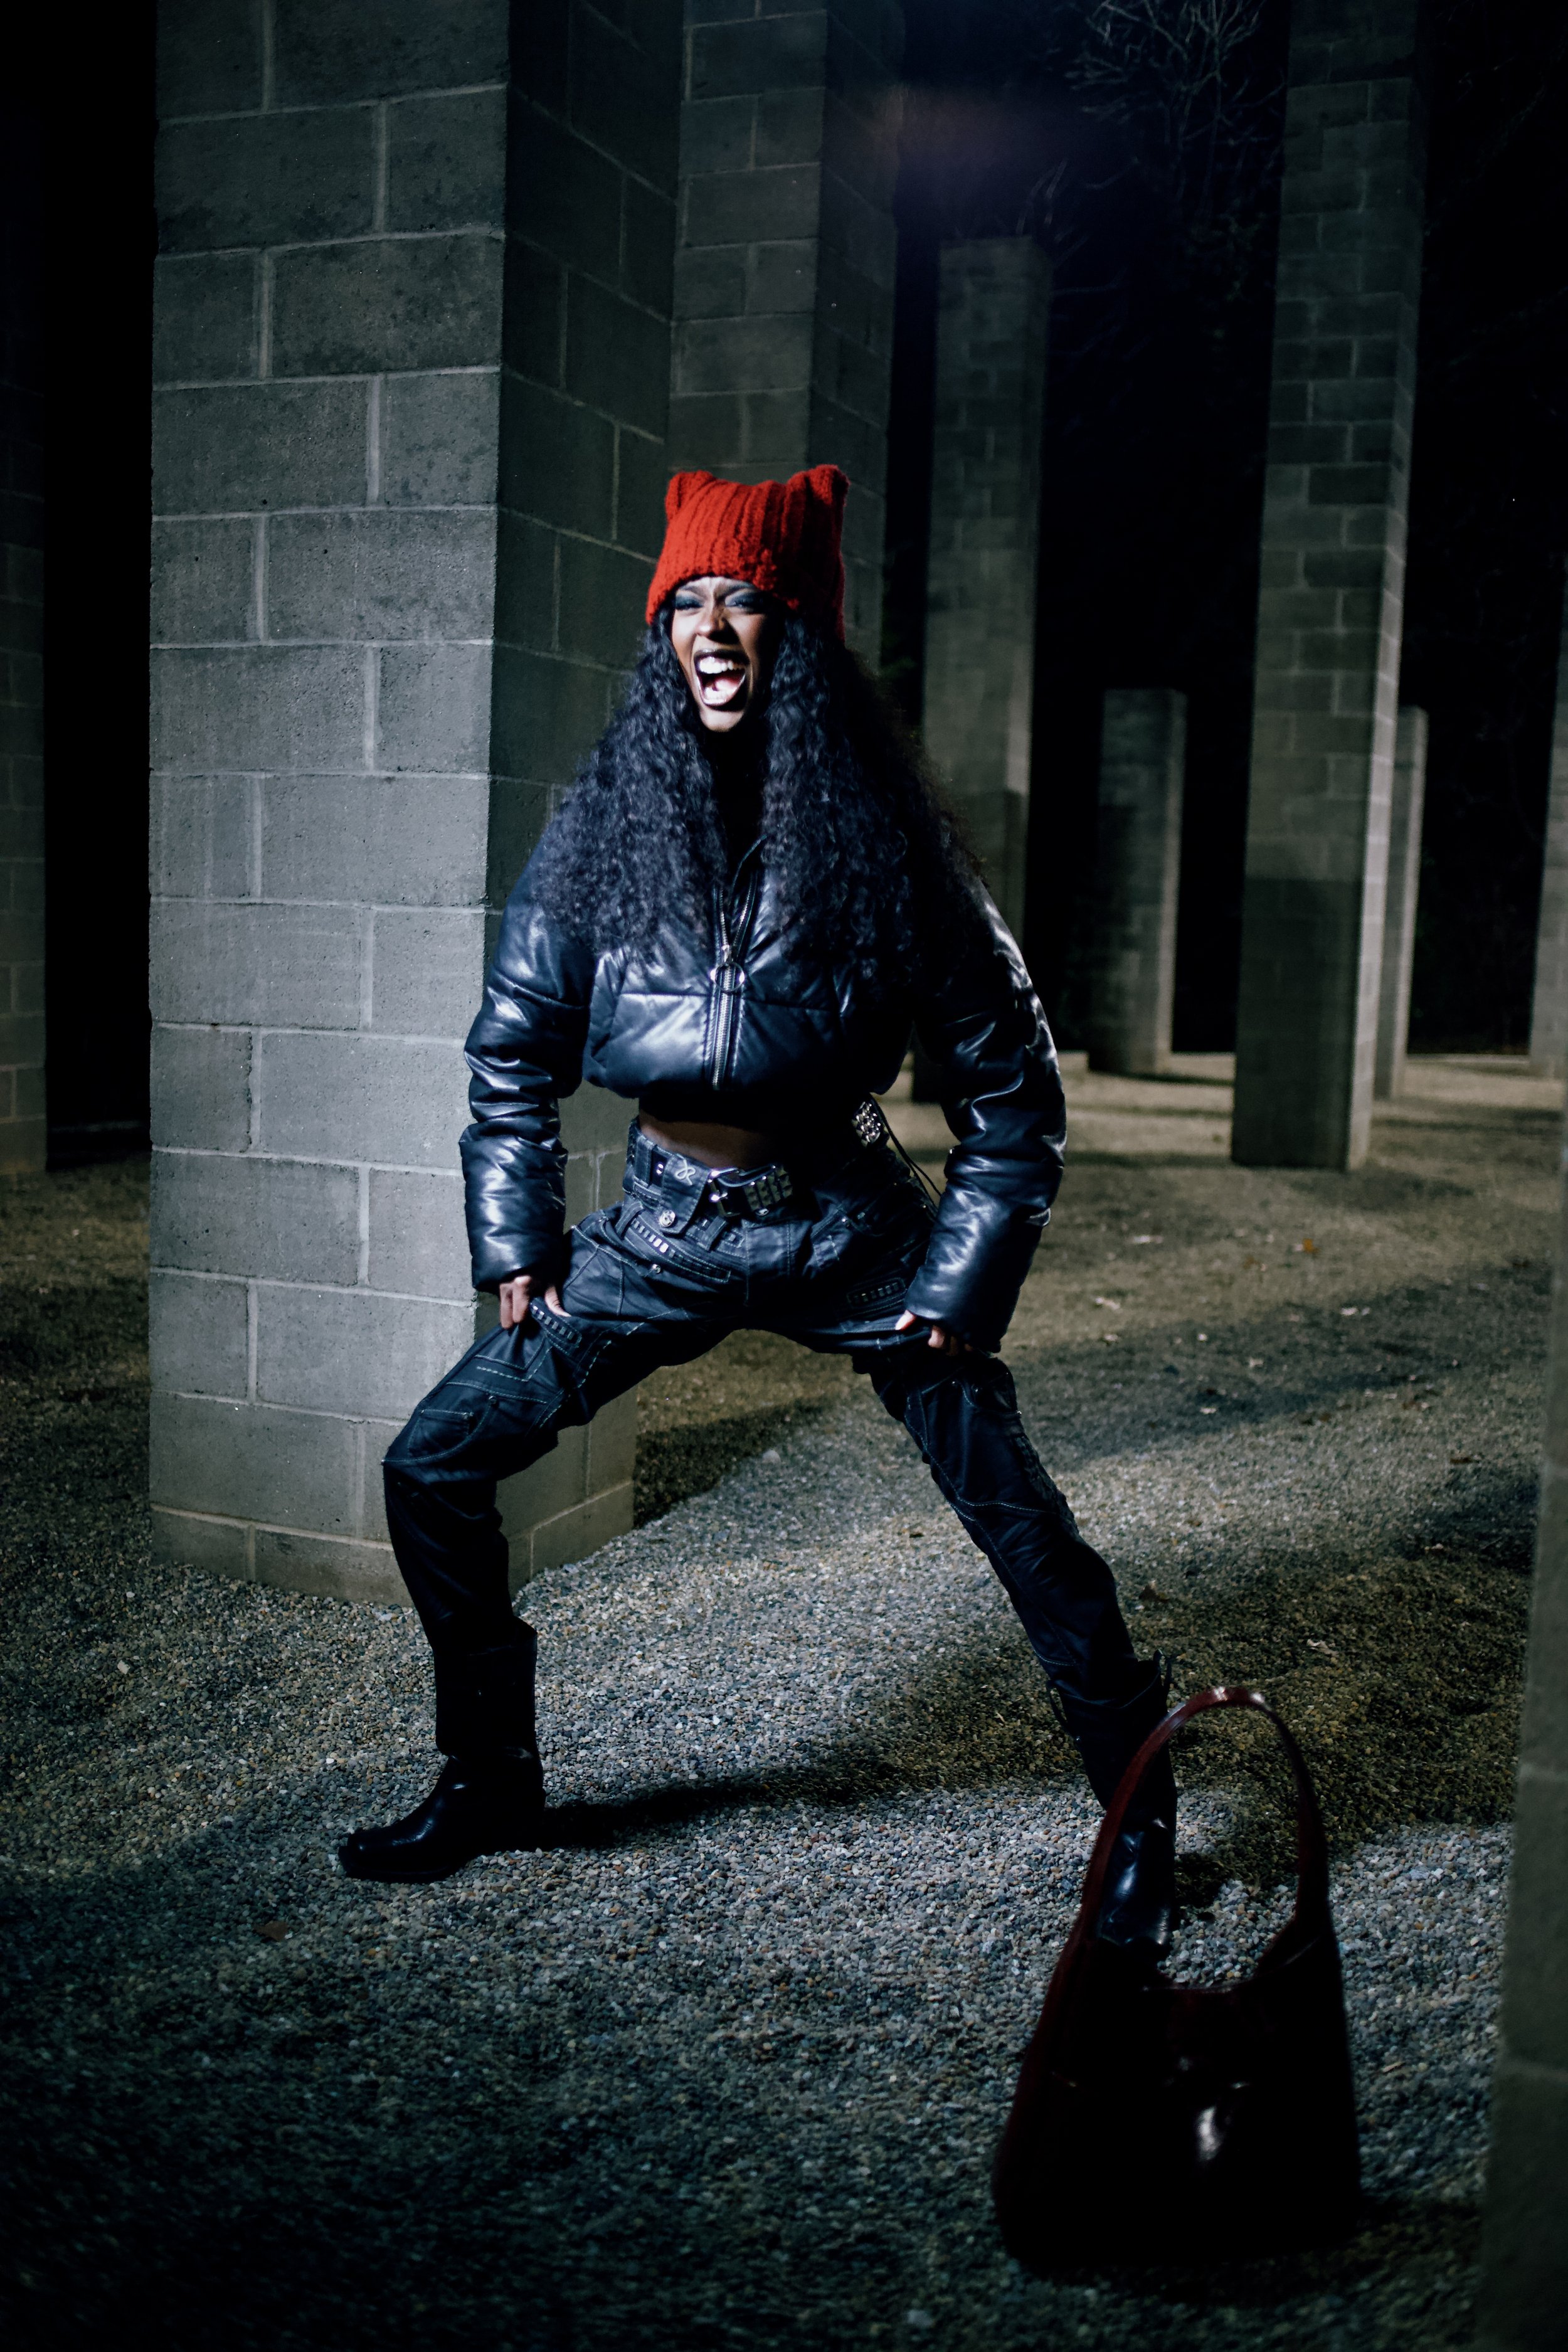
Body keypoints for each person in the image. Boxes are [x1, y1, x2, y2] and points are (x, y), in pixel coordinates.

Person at [339, 464, 1177, 1954]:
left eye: (747, 599)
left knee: (1024, 1528)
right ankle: (490, 1781)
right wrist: (517, 1236)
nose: (714, 627)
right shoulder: (602, 826)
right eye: (688, 603)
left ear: (798, 635)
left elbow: (1012, 1091)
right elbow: (509, 1054)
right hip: (658, 1229)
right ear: (660, 633)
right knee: (432, 1468)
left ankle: (1140, 1832)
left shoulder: (885, 840)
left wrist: (960, 1285)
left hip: (854, 1229)